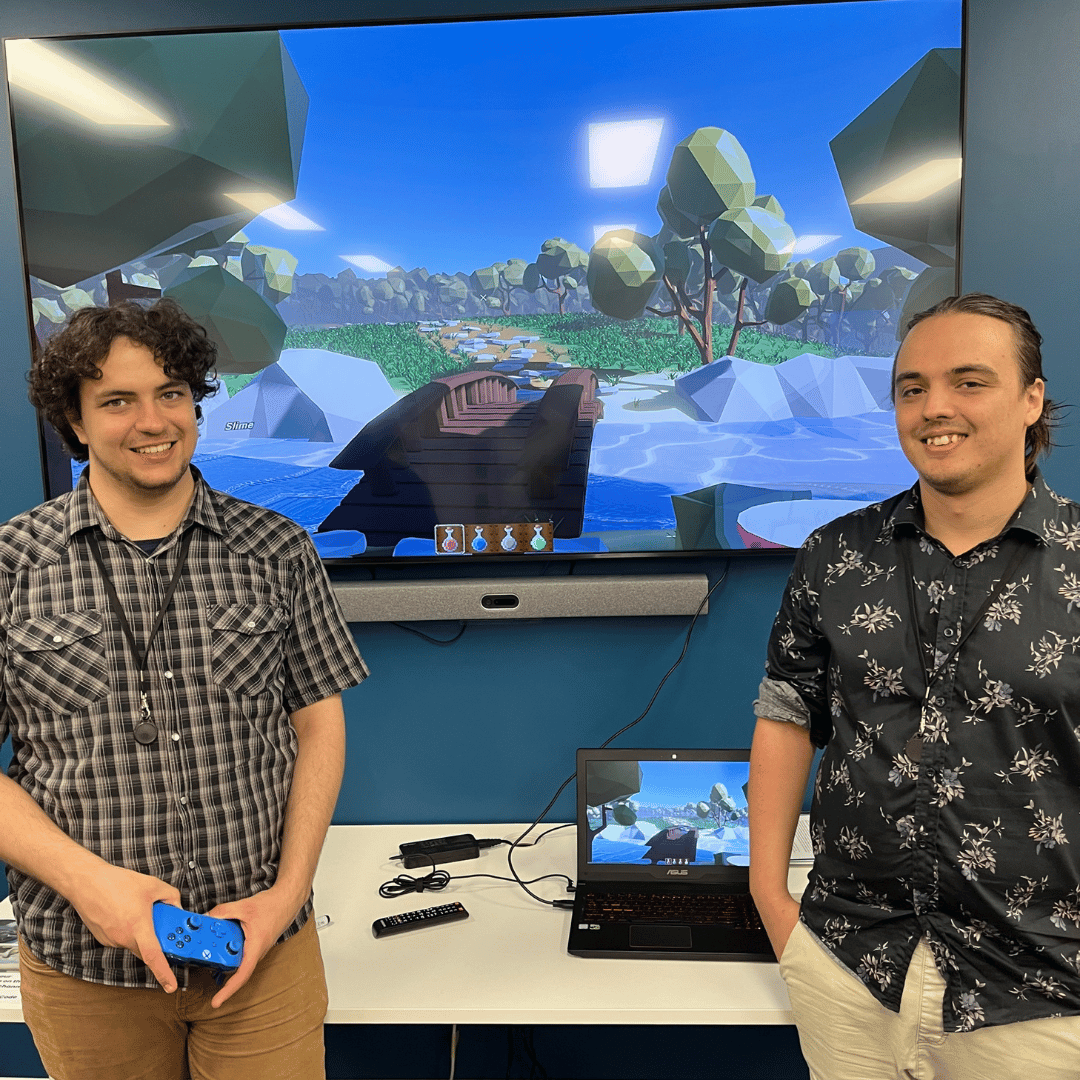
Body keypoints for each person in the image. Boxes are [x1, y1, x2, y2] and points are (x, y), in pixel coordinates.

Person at [0, 299, 370, 1080]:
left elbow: (319, 728)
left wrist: (287, 894)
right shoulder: (12, 566)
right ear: (74, 422)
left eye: (171, 393)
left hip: (258, 957)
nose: (152, 420)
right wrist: (91, 886)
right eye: (116, 400)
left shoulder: (278, 551)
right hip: (83, 968)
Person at [748, 292, 1080, 1079]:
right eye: (912, 388)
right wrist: (770, 898)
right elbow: (785, 716)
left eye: (970, 381)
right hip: (848, 964)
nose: (935, 408)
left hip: (1038, 988)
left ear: (1032, 400)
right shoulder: (833, 555)